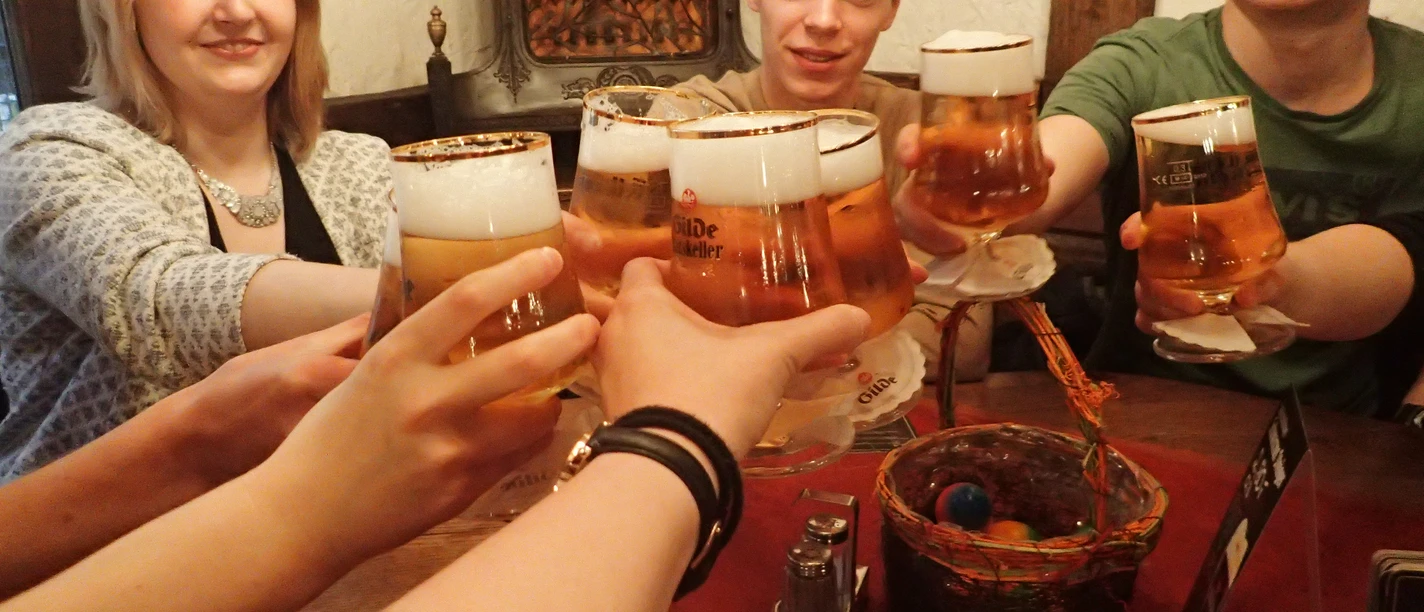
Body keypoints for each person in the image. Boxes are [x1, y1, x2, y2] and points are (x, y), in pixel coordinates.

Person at [1, 251, 869, 612]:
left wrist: (196, 441)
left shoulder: (347, 155)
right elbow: (149, 289)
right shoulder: (57, 145)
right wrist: (673, 442)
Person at [897, 0, 1424, 414]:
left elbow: (1401, 252)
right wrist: (965, 204)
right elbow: (1057, 156)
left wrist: (1266, 280)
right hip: (1138, 410)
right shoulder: (1142, 62)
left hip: (1337, 432)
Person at [0, 0, 391, 478]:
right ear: (124, 12)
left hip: (352, 509)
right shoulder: (47, 150)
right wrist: (427, 291)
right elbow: (155, 299)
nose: (237, 12)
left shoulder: (363, 164)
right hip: (109, 524)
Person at [1123, 209, 1424, 425]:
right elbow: (1095, 139)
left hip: (1337, 421)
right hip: (1150, 399)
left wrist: (1269, 277)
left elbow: (1412, 238)